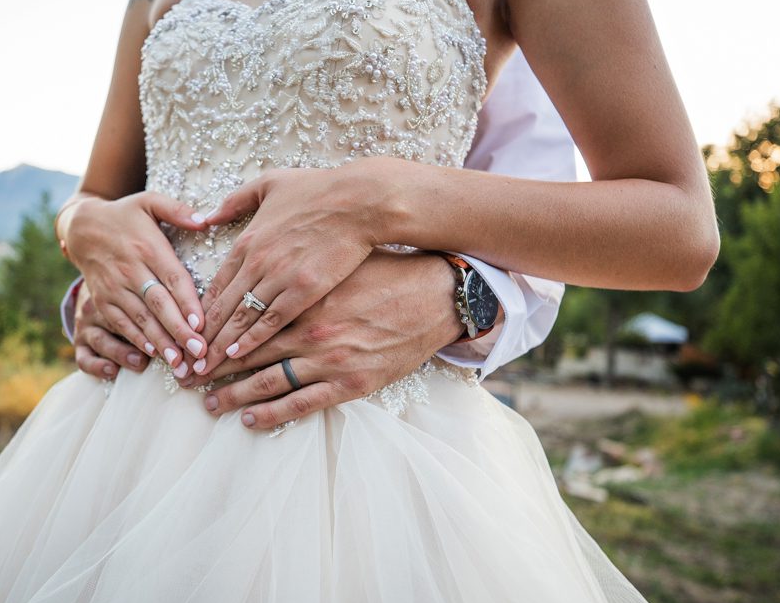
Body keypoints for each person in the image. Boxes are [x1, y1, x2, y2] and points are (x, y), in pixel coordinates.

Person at [0, 0, 718, 603]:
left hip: (366, 455)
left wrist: (386, 199)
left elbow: (677, 226)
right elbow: (100, 192)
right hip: (119, 449)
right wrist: (85, 227)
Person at [62, 48, 573, 391]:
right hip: (131, 408)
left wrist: (457, 297)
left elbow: (631, 218)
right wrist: (82, 229)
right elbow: (99, 193)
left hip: (363, 425)